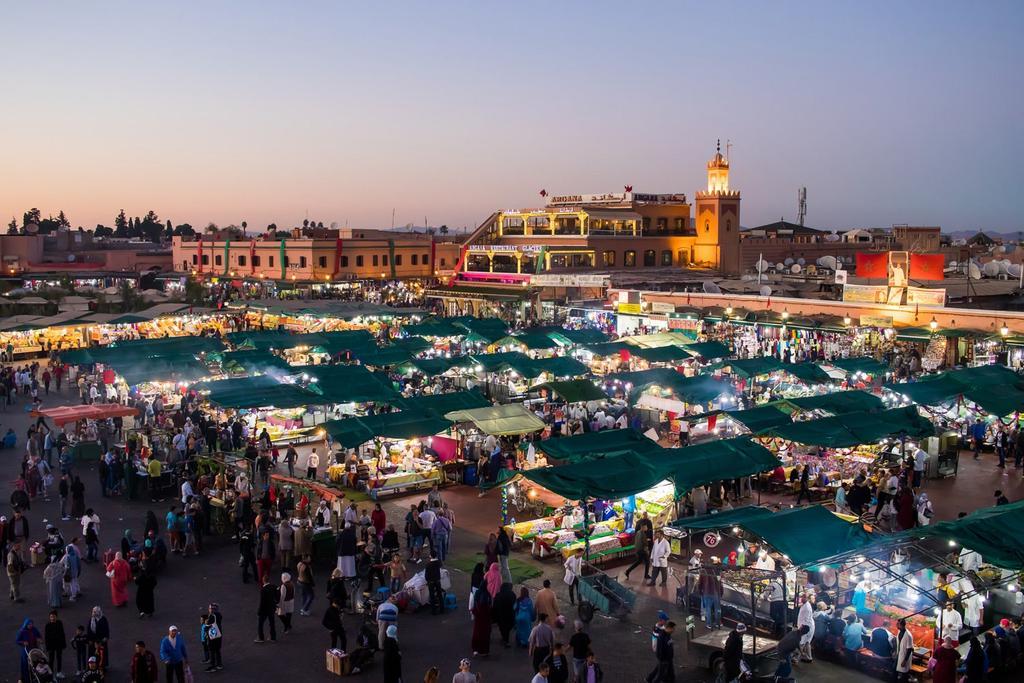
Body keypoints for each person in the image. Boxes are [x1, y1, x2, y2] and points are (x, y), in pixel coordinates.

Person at [492, 582, 517, 648]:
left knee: (502, 627)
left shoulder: (498, 595)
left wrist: (494, 614)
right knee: (508, 628)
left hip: (500, 615)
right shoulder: (512, 594)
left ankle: (505, 639)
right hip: (509, 614)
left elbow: (495, 606)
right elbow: (515, 605)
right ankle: (506, 640)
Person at [44, 610, 67, 678]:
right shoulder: (47, 625)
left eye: (54, 616)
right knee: (51, 660)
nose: (52, 618)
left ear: (56, 617)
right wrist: (47, 647)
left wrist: (64, 644)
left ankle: (59, 672)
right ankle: (51, 674)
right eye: (51, 617)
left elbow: (62, 634)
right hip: (51, 645)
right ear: (49, 617)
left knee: (59, 658)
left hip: (59, 644)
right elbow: (46, 637)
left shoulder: (59, 623)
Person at [471, 585, 492, 656]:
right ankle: (484, 651)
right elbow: (490, 606)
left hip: (478, 619)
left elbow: (474, 608)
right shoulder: (488, 594)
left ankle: (476, 649)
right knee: (485, 635)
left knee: (477, 634)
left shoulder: (478, 593)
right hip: (486, 620)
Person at [256, 574, 279, 642]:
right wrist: (276, 603)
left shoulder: (263, 590)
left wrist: (259, 611)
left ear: (263, 581)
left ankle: (261, 638)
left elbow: (262, 602)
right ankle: (273, 637)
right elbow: (278, 594)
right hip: (272, 608)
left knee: (260, 624)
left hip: (264, 610)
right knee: (272, 623)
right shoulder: (274, 586)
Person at [86, 606, 110, 671]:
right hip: (93, 641)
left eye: (95, 612)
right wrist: (89, 639)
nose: (93, 613)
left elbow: (106, 629)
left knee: (101, 654)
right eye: (93, 612)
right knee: (93, 654)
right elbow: (89, 630)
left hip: (101, 640)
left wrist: (106, 637)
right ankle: (92, 666)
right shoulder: (92, 619)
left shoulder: (103, 619)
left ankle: (102, 666)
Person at [425, 550, 445, 615]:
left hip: (431, 581)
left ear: (430, 556)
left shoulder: (428, 564)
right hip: (437, 580)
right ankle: (442, 609)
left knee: (432, 595)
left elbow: (426, 575)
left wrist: (427, 580)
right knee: (439, 594)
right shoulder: (438, 562)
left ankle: (433, 610)